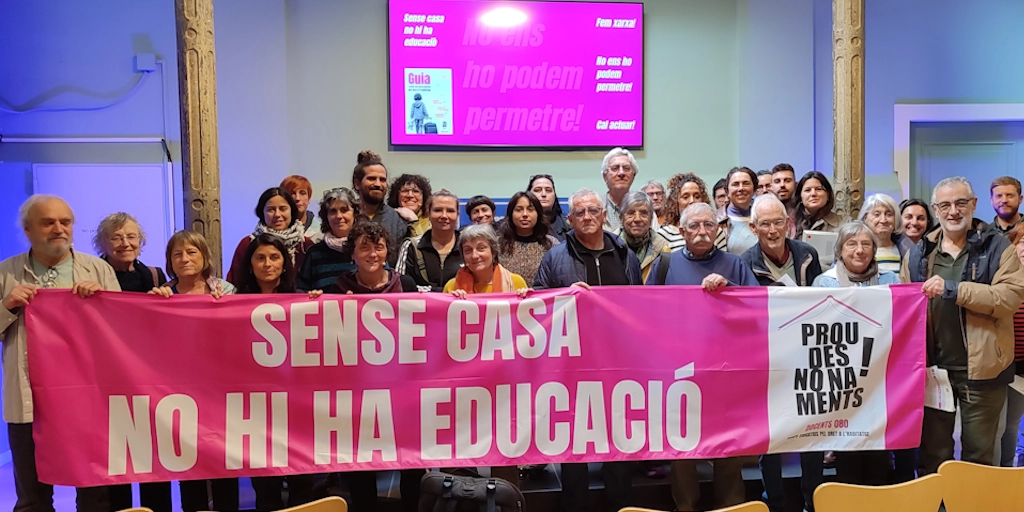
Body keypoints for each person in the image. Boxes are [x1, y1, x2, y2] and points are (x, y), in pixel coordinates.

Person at [0, 195, 121, 512]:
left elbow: (121, 337)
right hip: (28, 402)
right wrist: (7, 306)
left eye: (65, 222)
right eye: (48, 222)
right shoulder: (5, 273)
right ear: (28, 230)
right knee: (32, 500)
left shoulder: (98, 270)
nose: (58, 229)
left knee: (94, 496)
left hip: (86, 400)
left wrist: (101, 306)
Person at [902, 176, 1024, 475]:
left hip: (983, 371)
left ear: (974, 205)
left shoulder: (997, 247)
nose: (953, 211)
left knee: (980, 456)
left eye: (960, 203)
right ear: (935, 209)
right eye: (945, 205)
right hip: (933, 371)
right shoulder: (920, 251)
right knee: (934, 454)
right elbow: (906, 305)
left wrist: (954, 289)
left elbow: (1009, 297)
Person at [534, 188, 641, 512]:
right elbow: (539, 299)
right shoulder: (555, 257)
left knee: (618, 432)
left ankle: (620, 503)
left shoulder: (625, 255)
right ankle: (575, 503)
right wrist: (565, 294)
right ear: (569, 219)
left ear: (605, 215)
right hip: (572, 360)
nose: (587, 217)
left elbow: (638, 304)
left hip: (617, 359)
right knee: (575, 433)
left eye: (593, 210)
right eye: (579, 212)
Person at [646, 202, 755, 511]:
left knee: (729, 447)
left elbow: (758, 307)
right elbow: (646, 311)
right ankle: (686, 506)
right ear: (682, 231)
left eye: (709, 224)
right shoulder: (664, 265)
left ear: (719, 229)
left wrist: (729, 289)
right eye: (694, 226)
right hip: (679, 370)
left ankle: (732, 507)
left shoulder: (735, 264)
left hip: (726, 371)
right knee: (683, 446)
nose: (702, 231)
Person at [314, 220, 421, 512]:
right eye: (364, 247)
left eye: (379, 247)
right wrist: (316, 305)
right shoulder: (339, 289)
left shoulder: (405, 284)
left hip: (402, 388)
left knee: (410, 460)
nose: (372, 253)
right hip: (358, 391)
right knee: (362, 461)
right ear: (353, 254)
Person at [740, 195, 823, 512]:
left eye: (778, 222)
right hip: (768, 358)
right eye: (765, 224)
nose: (773, 230)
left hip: (807, 354)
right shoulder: (744, 262)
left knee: (812, 429)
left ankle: (813, 500)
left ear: (789, 223)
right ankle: (773, 501)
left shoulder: (807, 254)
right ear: (753, 227)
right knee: (770, 434)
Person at [148, 230, 237, 511]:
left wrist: (228, 309)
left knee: (224, 459)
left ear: (204, 256)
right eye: (177, 254)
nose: (184, 258)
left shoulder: (226, 291)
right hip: (179, 392)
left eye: (191, 252)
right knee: (190, 462)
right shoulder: (163, 294)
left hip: (220, 390)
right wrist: (151, 305)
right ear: (169, 261)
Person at [812, 221, 902, 485]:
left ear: (875, 249)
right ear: (840, 249)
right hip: (841, 383)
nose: (859, 250)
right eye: (852, 244)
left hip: (881, 379)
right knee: (848, 454)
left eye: (866, 244)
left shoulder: (891, 281)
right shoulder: (823, 283)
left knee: (878, 455)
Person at [93, 212, 171, 512]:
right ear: (102, 242)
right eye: (116, 237)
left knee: (154, 456)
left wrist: (164, 300)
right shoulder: (92, 275)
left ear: (141, 241)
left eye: (131, 236)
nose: (125, 243)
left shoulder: (154, 275)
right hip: (109, 379)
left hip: (149, 378)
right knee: (116, 457)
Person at [233, 234, 318, 508]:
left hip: (298, 404)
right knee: (265, 486)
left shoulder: (301, 300)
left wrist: (323, 306)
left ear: (285, 263)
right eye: (260, 258)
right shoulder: (232, 304)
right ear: (250, 264)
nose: (267, 264)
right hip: (256, 406)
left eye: (274, 257)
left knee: (302, 482)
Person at [226, 187, 313, 287]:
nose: (277, 214)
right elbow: (234, 283)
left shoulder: (305, 245)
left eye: (283, 209)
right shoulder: (248, 244)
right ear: (262, 213)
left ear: (292, 211)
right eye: (270, 209)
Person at [397, 189, 464, 292]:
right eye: (438, 210)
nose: (444, 216)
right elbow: (399, 286)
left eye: (450, 211)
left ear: (457, 215)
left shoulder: (467, 246)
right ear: (428, 213)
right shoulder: (411, 246)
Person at [351, 150, 411, 266]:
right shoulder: (347, 216)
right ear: (357, 184)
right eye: (372, 178)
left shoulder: (396, 220)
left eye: (382, 180)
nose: (378, 184)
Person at [297, 187, 360, 291]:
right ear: (326, 217)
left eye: (344, 210)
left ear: (355, 213)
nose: (339, 216)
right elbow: (300, 289)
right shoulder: (314, 253)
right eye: (333, 211)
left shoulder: (368, 249)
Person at [614, 191, 683, 282]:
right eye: (631, 213)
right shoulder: (610, 248)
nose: (637, 219)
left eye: (643, 213)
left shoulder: (663, 251)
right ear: (621, 218)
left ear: (651, 219)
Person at [444, 223, 529, 295]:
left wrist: (528, 300)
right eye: (468, 250)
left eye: (481, 248)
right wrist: (451, 303)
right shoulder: (452, 287)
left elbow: (526, 314)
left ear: (493, 251)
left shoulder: (516, 282)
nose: (474, 256)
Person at [497, 191, 559, 285]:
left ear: (538, 214)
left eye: (530, 209)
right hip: (508, 298)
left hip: (541, 298)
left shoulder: (551, 244)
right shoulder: (497, 244)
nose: (525, 214)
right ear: (511, 214)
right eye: (519, 210)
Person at [1002, 224, 1024, 467]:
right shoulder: (1003, 278)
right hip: (1011, 368)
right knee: (1008, 427)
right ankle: (1006, 479)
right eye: (1022, 242)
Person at [715, 166, 759, 256]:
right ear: (727, 191)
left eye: (746, 183)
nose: (741, 188)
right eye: (735, 184)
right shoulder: (715, 220)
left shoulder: (762, 217)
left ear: (754, 190)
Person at [662, 172, 711, 248]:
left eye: (697, 196)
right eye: (685, 197)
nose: (692, 201)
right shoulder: (665, 234)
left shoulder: (715, 231)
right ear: (676, 201)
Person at [791, 171, 843, 241]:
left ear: (828, 195)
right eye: (807, 190)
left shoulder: (845, 224)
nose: (813, 194)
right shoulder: (790, 224)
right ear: (800, 198)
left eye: (818, 189)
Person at [859, 193, 904, 273]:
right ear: (865, 218)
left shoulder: (906, 250)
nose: (883, 220)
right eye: (877, 215)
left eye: (889, 214)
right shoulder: (857, 251)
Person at [600, 147, 641, 232]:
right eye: (615, 168)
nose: (621, 173)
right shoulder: (595, 208)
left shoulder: (645, 207)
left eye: (626, 168)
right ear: (605, 176)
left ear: (633, 175)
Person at [387, 173, 432, 238]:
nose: (410, 195)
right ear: (396, 195)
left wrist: (413, 220)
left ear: (424, 197)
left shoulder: (431, 221)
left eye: (416, 191)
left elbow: (423, 247)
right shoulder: (389, 218)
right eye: (405, 191)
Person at [281, 174, 323, 242]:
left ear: (309, 198)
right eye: (292, 193)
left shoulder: (321, 232)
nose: (297, 198)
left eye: (302, 193)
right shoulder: (270, 230)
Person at [529, 174, 570, 241]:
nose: (543, 194)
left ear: (554, 196)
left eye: (548, 190)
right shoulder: (513, 225)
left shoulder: (568, 226)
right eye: (538, 190)